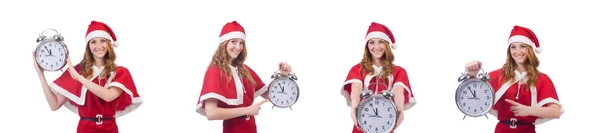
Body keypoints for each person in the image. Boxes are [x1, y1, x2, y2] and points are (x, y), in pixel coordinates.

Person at [33, 20, 142, 133]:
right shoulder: (78, 71)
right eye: (93, 42)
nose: (98, 46)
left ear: (109, 44)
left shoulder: (120, 72)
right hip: (85, 129)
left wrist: (79, 78)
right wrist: (40, 74)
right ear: (88, 46)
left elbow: (108, 96)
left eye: (103, 41)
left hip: (110, 129)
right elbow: (54, 105)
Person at [195, 20, 292, 133]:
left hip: (251, 129)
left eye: (241, 43)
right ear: (224, 43)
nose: (238, 47)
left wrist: (283, 76)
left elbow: (271, 96)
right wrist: (246, 110)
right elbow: (211, 113)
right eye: (233, 41)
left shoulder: (244, 70)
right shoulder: (214, 71)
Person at [464, 25, 563, 133]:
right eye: (513, 47)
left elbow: (556, 112)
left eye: (522, 46)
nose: (517, 51)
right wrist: (472, 75)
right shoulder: (499, 75)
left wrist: (528, 110)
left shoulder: (542, 79)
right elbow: (473, 96)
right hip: (502, 130)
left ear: (530, 49)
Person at [340, 22, 417, 133]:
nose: (376, 47)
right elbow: (356, 88)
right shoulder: (357, 69)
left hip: (386, 123)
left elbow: (398, 91)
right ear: (367, 46)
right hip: (363, 121)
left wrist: (399, 110)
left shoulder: (399, 71)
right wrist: (354, 106)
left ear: (386, 44)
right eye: (372, 42)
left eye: (380, 42)